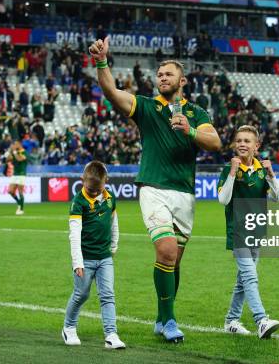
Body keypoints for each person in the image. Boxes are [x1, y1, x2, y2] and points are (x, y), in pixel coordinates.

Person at [88, 36, 222, 342]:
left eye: (168, 75)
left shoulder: (197, 113)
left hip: (185, 194)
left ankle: (162, 319)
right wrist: (101, 62)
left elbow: (214, 142)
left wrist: (188, 130)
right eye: (159, 75)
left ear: (182, 80)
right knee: (165, 249)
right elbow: (111, 92)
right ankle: (171, 320)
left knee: (173, 262)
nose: (162, 78)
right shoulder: (146, 107)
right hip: (153, 188)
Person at [217, 125, 279, 339]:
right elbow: (223, 200)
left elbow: (276, 197)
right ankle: (261, 320)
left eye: (247, 141)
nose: (242, 144)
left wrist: (271, 174)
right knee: (250, 276)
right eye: (239, 141)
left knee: (243, 280)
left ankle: (231, 320)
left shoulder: (261, 169)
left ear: (256, 146)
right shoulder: (229, 169)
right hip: (238, 232)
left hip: (257, 230)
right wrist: (233, 173)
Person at [62, 161, 126, 349]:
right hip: (85, 259)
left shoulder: (110, 198)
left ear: (105, 181)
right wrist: (77, 262)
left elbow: (114, 223)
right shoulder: (78, 202)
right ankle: (69, 327)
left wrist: (113, 247)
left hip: (105, 258)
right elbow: (74, 235)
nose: (94, 193)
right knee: (81, 294)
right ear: (82, 180)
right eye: (91, 191)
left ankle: (111, 335)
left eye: (98, 190)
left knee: (107, 295)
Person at [7, 141, 27, 215]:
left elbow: (19, 159)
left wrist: (14, 152)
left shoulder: (24, 152)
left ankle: (21, 209)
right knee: (10, 191)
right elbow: (8, 160)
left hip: (21, 174)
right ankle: (19, 203)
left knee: (20, 191)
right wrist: (10, 151)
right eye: (14, 144)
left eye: (15, 144)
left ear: (19, 144)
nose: (14, 145)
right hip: (15, 174)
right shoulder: (14, 152)